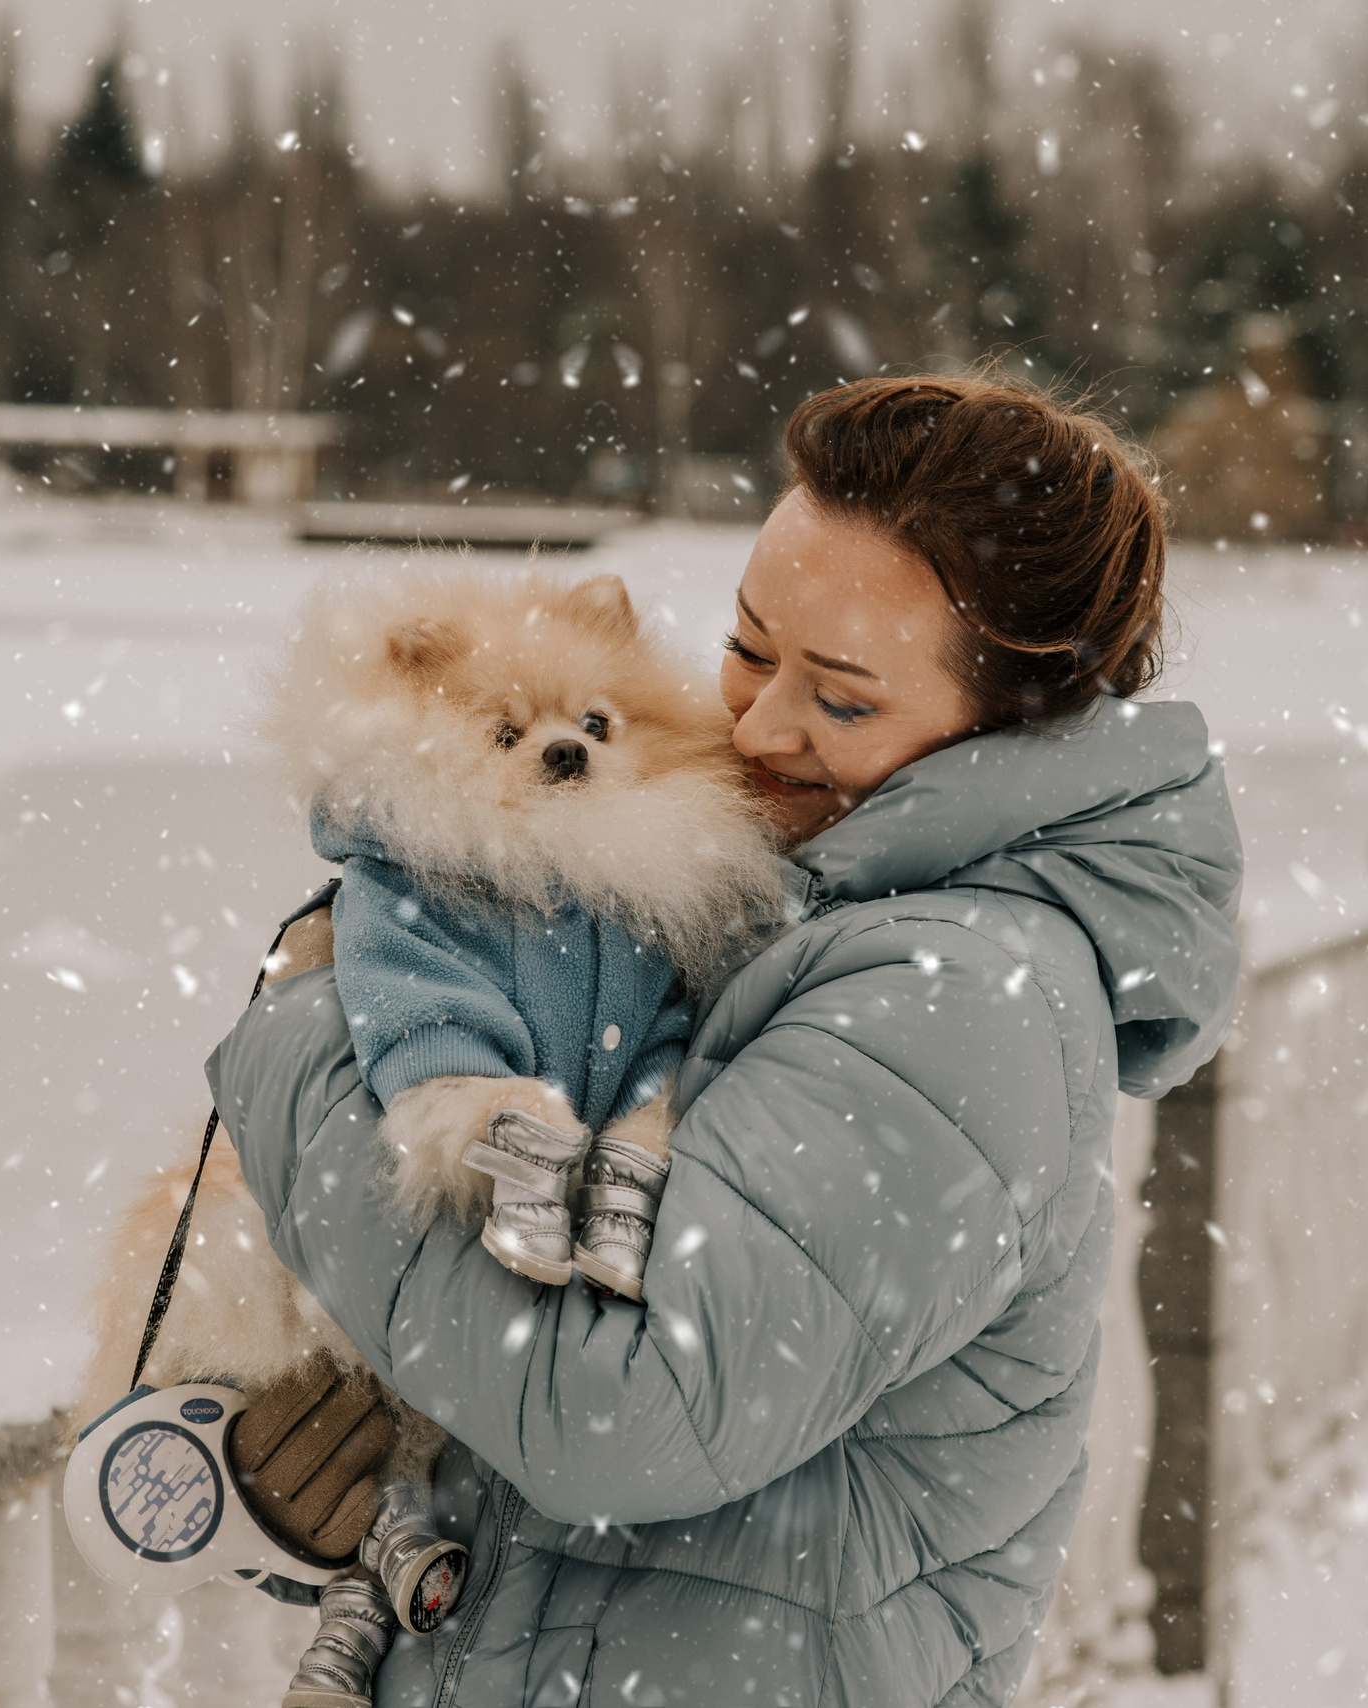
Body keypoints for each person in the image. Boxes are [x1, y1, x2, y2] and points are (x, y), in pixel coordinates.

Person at [208, 372, 1245, 1708]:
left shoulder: (959, 997)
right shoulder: (788, 907)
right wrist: (382, 1490)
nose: (757, 726)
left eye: (844, 698)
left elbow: (617, 1414)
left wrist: (301, 1035)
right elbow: (571, 1311)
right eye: (750, 647)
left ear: (1013, 727)